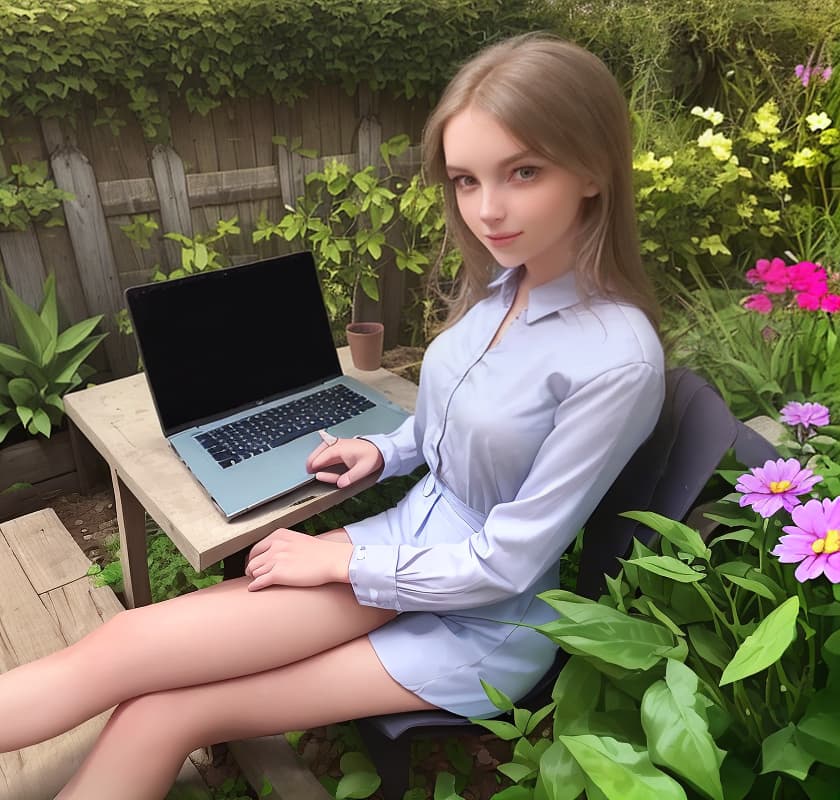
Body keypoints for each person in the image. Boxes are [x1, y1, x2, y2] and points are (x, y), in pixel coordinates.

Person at [0, 33, 664, 799]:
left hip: (478, 621)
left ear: (593, 168)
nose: (487, 210)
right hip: (405, 547)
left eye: (522, 172)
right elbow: (445, 422)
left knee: (164, 713)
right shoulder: (501, 286)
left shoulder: (616, 359)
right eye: (464, 179)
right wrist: (385, 451)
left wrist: (342, 560)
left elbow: (508, 563)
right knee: (123, 648)